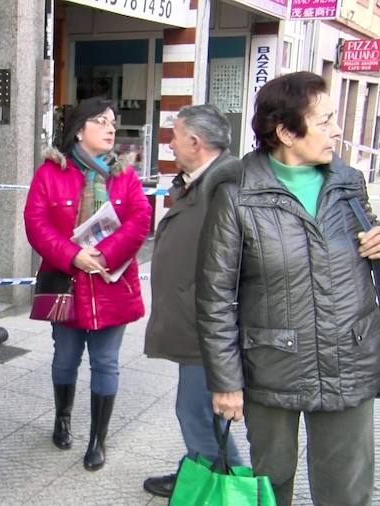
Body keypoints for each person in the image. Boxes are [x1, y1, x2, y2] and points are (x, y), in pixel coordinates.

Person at [196, 71, 380, 506]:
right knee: (272, 485)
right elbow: (214, 298)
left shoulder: (348, 183)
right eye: (324, 121)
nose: (337, 130)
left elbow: (370, 239)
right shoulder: (237, 196)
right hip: (273, 364)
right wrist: (226, 381)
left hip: (350, 355)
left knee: (347, 488)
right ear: (286, 132)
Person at [23, 97, 151, 471]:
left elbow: (140, 219)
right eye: (101, 121)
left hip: (113, 284)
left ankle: (98, 439)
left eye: (113, 122)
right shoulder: (51, 172)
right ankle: (62, 418)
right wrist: (72, 255)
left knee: (106, 363)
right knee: (65, 359)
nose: (111, 128)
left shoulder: (123, 174)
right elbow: (36, 223)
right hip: (66, 283)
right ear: (80, 129)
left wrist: (105, 255)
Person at [141, 104, 246, 497]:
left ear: (196, 142)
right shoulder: (201, 180)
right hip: (196, 321)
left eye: (174, 136)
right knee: (201, 410)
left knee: (198, 410)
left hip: (209, 325)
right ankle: (201, 473)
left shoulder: (225, 184)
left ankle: (229, 488)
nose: (169, 144)